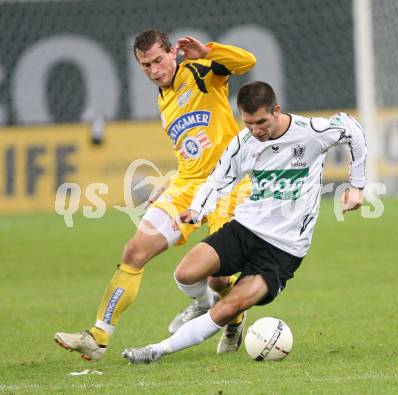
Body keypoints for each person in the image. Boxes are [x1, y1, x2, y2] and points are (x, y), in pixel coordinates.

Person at [121, 81, 367, 364]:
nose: (256, 130)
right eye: (248, 123)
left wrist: (357, 186)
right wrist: (198, 210)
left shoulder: (311, 132)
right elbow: (218, 180)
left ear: (276, 111)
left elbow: (353, 129)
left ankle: (156, 350)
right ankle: (203, 303)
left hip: (283, 249)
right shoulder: (244, 143)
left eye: (261, 122)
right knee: (185, 274)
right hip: (245, 228)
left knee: (229, 307)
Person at [54, 29, 256, 361]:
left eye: (159, 60)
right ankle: (98, 336)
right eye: (146, 65)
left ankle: (233, 315)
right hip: (188, 185)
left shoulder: (201, 72)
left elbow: (248, 62)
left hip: (229, 185)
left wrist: (207, 51)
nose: (154, 70)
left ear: (173, 53)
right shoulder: (163, 99)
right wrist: (172, 180)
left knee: (219, 278)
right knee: (134, 250)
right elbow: (191, 149)